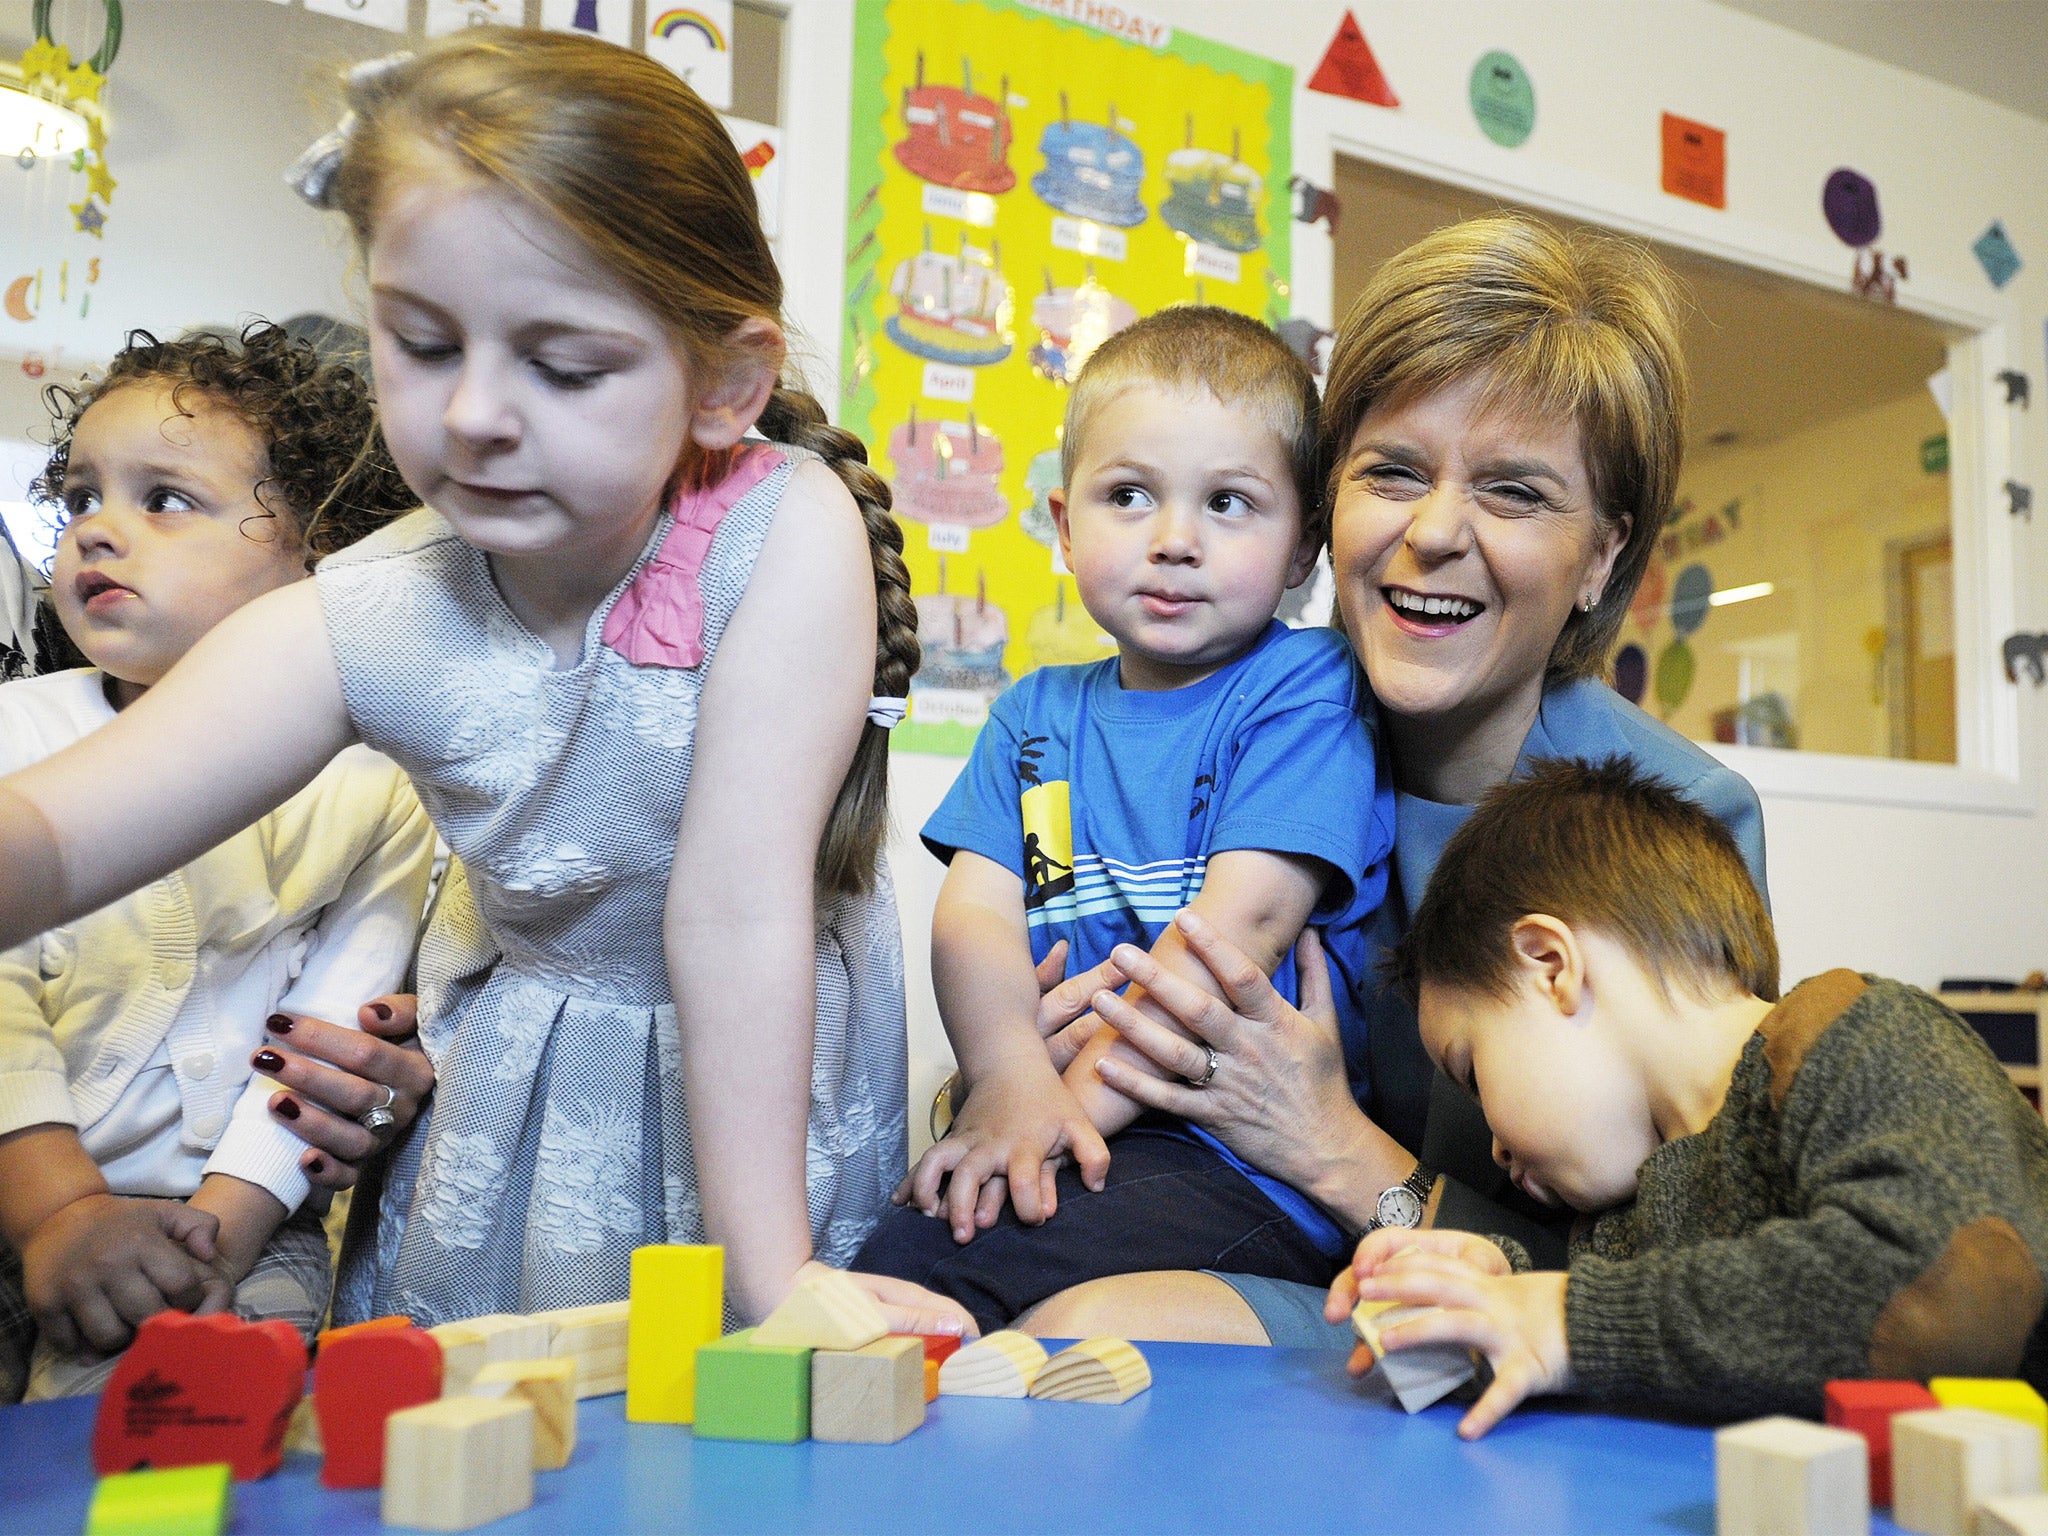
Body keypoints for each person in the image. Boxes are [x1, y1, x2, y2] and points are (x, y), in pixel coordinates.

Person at [0, 31, 969, 1338]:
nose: (472, 418)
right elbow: (60, 835)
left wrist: (778, 1282)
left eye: (563, 366)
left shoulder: (782, 533)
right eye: (423, 343)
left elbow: (737, 912)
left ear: (726, 383)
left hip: (752, 1091)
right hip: (518, 1097)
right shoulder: (378, 609)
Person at [990, 214, 1770, 1346]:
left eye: (1512, 492)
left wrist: (1332, 1146)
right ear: (1322, 508)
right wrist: (1028, 1047)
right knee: (1038, 1321)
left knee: (1096, 1331)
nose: (1434, 533)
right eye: (1392, 472)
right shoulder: (1213, 724)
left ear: (1601, 554)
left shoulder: (1664, 826)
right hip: (1216, 1226)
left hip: (1481, 1304)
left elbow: (1687, 1288)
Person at [857, 310, 1394, 1333]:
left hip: (1237, 1157)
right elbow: (977, 918)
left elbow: (1231, 938)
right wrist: (1009, 1075)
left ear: (1301, 554)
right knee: (909, 1240)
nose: (1173, 540)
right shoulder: (1036, 715)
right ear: (1064, 526)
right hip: (1078, 1114)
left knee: (957, 1266)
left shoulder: (1303, 689)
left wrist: (1050, 1121)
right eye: (1128, 495)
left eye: (1228, 503)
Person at [1327, 758, 2048, 1437]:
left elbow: (1946, 1292)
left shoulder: (1860, 1038)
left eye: (1473, 1072)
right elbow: (1664, 1331)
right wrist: (1486, 1302)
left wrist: (1563, 1320)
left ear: (1551, 967)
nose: (1494, 1143)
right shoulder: (1628, 1218)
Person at [0, 324, 435, 1401]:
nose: (98, 531)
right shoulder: (15, 732)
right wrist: (58, 1213)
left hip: (236, 1231)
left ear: (320, 557)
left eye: (166, 499)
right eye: (83, 497)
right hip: (18, 1210)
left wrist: (223, 1232)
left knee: (211, 1447)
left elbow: (339, 1020)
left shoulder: (378, 781)